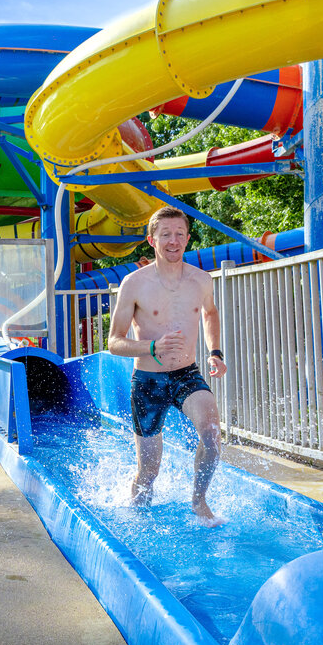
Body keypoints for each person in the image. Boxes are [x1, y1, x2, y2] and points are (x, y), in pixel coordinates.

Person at [107, 206, 228, 528]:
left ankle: (199, 500)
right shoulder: (133, 284)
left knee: (212, 435)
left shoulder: (201, 280)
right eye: (165, 235)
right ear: (152, 240)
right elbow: (114, 342)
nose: (173, 241)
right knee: (149, 471)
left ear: (187, 238)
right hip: (147, 380)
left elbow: (210, 313)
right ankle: (136, 516)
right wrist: (152, 347)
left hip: (187, 374)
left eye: (179, 234)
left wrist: (214, 351)